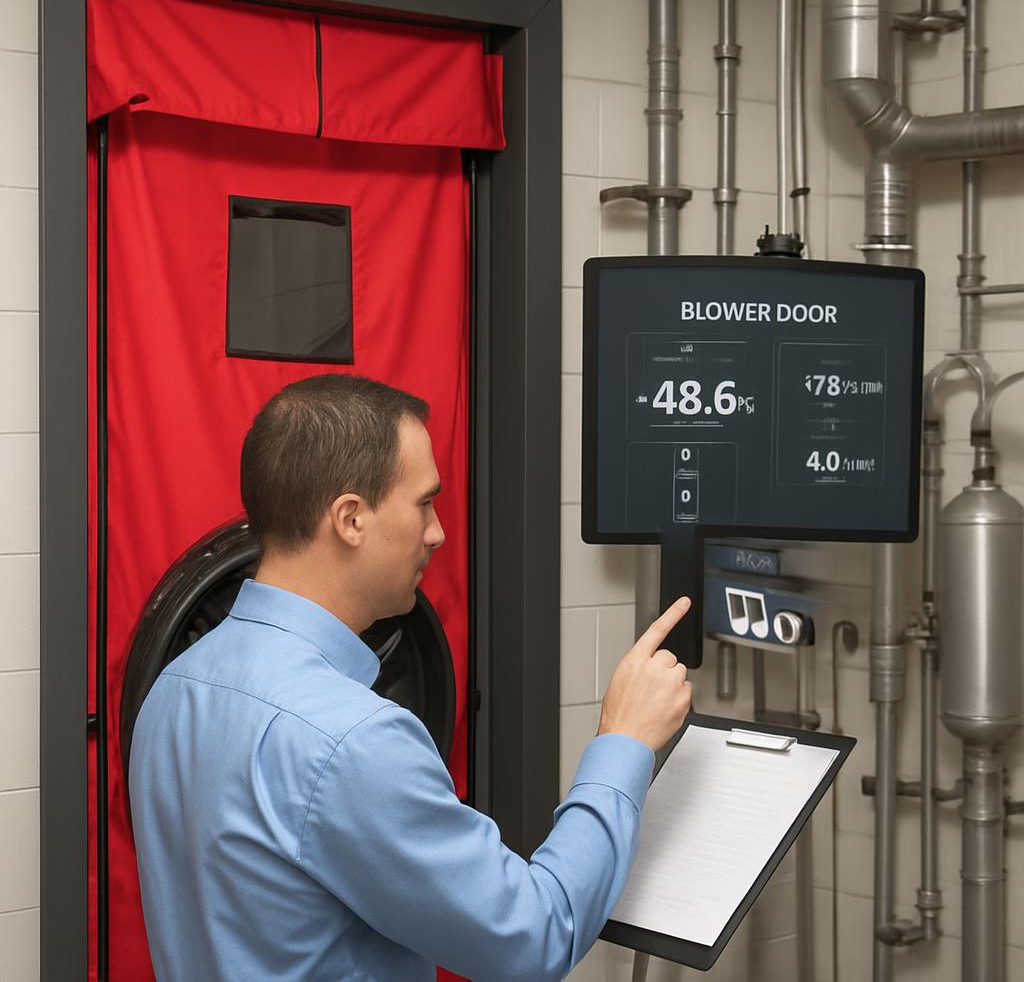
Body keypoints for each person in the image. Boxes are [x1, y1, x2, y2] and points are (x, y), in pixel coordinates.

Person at [129, 373, 693, 982]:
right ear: (351, 519)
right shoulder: (351, 741)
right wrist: (624, 742)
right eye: (424, 502)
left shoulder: (174, 687)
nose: (437, 531)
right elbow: (536, 935)